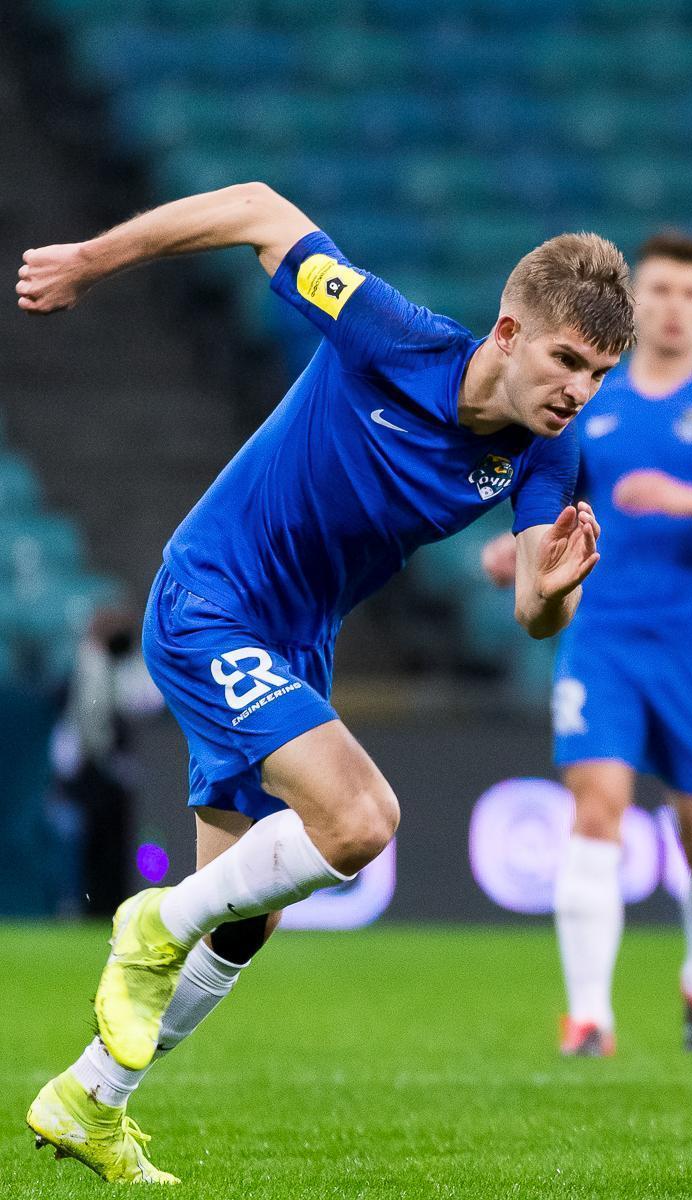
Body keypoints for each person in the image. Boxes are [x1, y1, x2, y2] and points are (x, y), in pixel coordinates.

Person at [17, 182, 630, 1183]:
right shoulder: (391, 334)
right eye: (567, 360)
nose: (579, 390)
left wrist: (558, 593)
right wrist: (91, 259)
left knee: (247, 920)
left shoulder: (549, 457)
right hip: (211, 599)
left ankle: (92, 1098)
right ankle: (153, 921)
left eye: (600, 374)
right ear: (510, 333)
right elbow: (260, 210)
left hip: (296, 646)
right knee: (359, 820)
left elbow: (532, 611)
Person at [483, 232, 692, 1057]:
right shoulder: (590, 396)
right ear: (633, 303)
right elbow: (551, 505)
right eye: (659, 290)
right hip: (604, 637)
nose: (673, 307)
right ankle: (589, 1016)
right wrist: (517, 550)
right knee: (597, 809)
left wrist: (689, 498)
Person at [52, 606, 165, 917]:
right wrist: (106, 761)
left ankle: (107, 905)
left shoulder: (120, 664)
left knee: (113, 843)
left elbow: (147, 700)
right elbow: (88, 721)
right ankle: (83, 905)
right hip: (87, 769)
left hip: (109, 767)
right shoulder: (88, 662)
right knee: (86, 842)